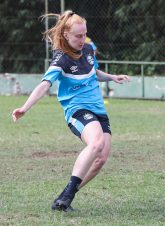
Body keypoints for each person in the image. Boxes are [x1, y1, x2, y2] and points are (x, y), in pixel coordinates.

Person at [12, 10, 129, 212]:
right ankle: (67, 195)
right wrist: (25, 107)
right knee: (97, 143)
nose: (82, 39)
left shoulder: (89, 49)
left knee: (101, 159)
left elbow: (93, 72)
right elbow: (45, 84)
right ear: (66, 34)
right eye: (78, 36)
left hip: (99, 110)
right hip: (77, 110)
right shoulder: (61, 59)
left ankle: (65, 196)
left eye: (84, 34)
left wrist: (111, 77)